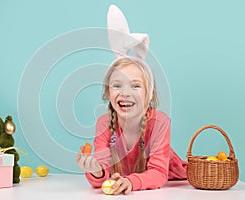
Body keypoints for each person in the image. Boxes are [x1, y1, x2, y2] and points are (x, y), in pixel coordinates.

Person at [76, 5, 187, 195]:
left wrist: (130, 182)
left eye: (135, 86)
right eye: (117, 85)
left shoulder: (159, 123)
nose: (125, 93)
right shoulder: (104, 124)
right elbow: (102, 173)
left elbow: (159, 174)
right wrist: (95, 170)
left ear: (149, 94)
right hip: (125, 181)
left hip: (175, 186)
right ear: (108, 93)